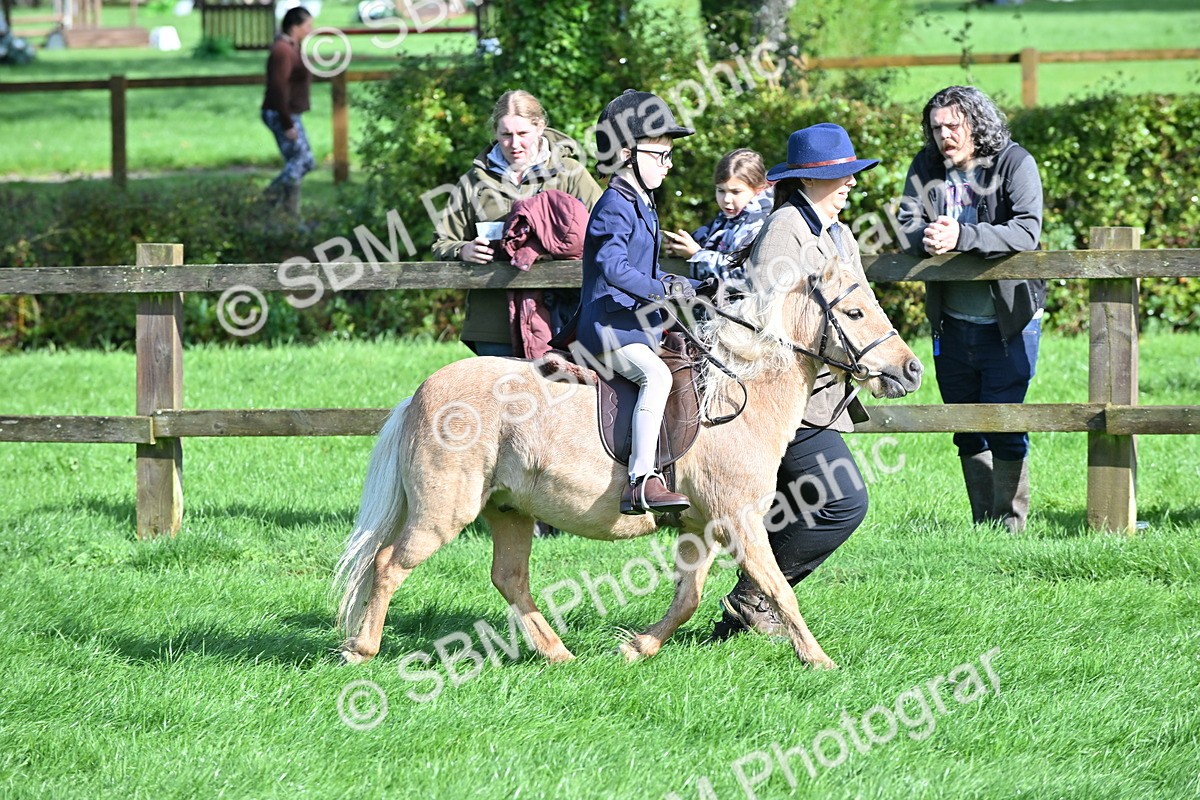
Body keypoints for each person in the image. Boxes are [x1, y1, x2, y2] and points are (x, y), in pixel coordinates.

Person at [710, 123, 891, 640]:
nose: (852, 184)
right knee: (842, 501)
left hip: (819, 397)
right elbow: (770, 322)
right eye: (843, 177)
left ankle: (747, 603)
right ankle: (751, 601)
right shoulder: (786, 228)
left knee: (799, 505)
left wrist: (879, 358)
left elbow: (860, 305)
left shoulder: (839, 232)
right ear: (811, 180)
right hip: (781, 402)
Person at [897, 85, 1044, 533]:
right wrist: (921, 237)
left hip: (1010, 321)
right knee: (965, 424)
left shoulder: (1015, 162)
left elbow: (1026, 231)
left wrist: (963, 237)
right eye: (936, 127)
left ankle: (1012, 526)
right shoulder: (925, 166)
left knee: (1004, 420)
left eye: (953, 125)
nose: (944, 135)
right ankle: (984, 526)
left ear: (976, 124)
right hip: (951, 321)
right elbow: (905, 222)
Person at [575, 89, 703, 515]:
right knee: (658, 377)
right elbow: (612, 267)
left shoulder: (641, 203)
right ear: (627, 153)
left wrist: (682, 283)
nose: (667, 166)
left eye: (669, 156)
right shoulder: (614, 204)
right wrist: (660, 290)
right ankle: (640, 481)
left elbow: (642, 270)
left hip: (631, 323)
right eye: (659, 155)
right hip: (608, 327)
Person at [432, 90, 603, 357]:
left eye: (522, 134)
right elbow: (441, 242)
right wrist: (462, 250)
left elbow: (606, 231)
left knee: (555, 397)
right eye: (505, 135)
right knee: (496, 398)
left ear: (540, 128)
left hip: (559, 318)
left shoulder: (571, 174)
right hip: (493, 321)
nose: (514, 144)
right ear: (495, 133)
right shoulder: (474, 182)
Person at [663, 148, 773, 297]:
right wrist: (680, 248)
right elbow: (703, 243)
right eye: (721, 190)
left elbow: (743, 275)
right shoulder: (727, 217)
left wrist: (696, 255)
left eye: (736, 192)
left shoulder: (761, 223)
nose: (726, 199)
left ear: (759, 189)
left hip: (740, 314)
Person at [261, 6, 316, 216]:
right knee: (300, 160)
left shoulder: (292, 47)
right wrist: (287, 123)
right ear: (295, 26)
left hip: (289, 113)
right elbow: (278, 87)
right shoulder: (282, 51)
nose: (311, 30)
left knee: (303, 161)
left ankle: (285, 213)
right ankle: (268, 203)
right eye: (308, 26)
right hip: (281, 113)